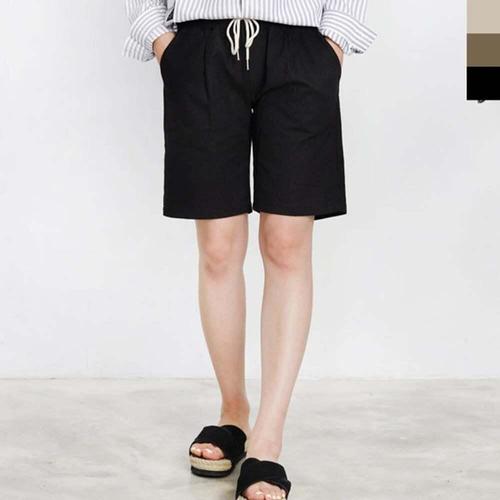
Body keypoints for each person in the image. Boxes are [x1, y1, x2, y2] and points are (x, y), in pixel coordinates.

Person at [124, 1, 375, 498]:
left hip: (301, 45)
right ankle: (233, 412)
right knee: (218, 246)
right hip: (200, 46)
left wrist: (335, 41)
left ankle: (267, 439)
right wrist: (159, 37)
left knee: (286, 243)